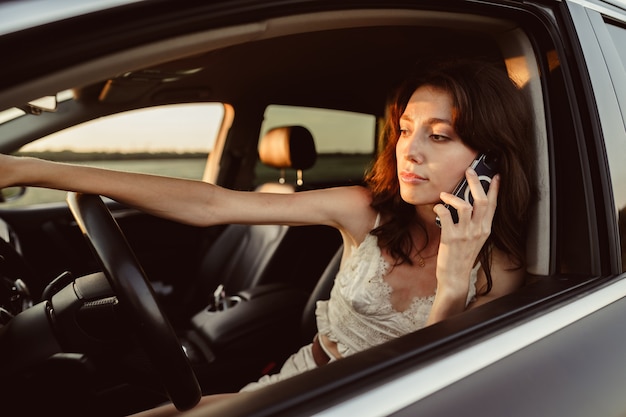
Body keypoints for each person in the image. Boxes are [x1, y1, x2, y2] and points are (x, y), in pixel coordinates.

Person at [0, 58, 535, 414]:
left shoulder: (501, 274)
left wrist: (452, 282)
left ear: (489, 159)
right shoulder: (366, 210)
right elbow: (213, 205)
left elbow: (438, 388)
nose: (409, 150)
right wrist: (34, 170)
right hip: (296, 381)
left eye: (438, 136)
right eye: (404, 129)